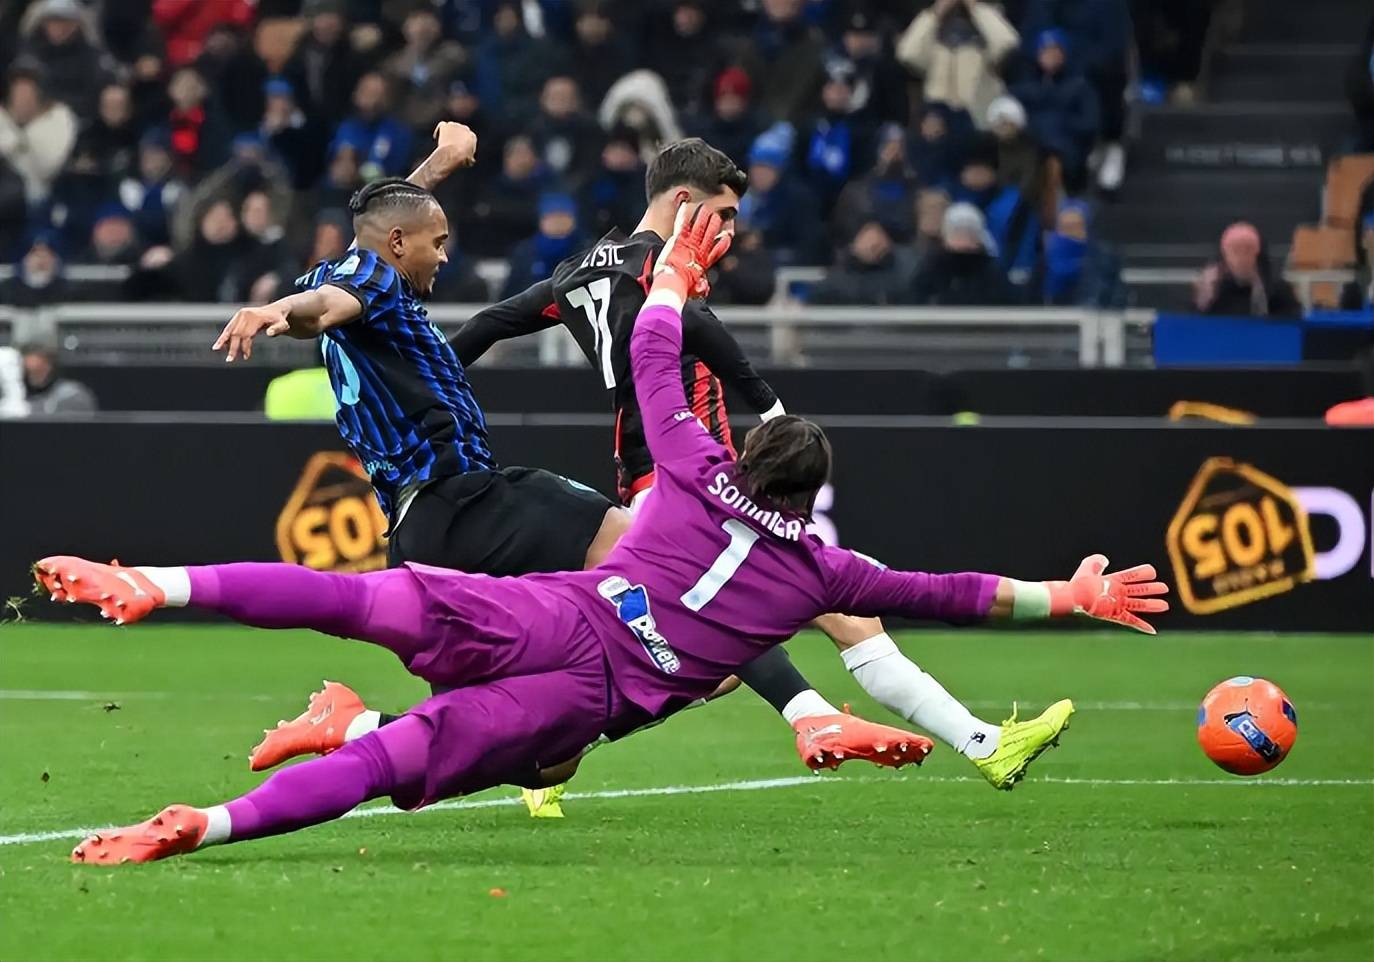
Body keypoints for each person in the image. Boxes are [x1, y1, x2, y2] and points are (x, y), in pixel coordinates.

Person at [41, 207, 1167, 865]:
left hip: (550, 613)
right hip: (589, 694)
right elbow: (960, 591)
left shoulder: (688, 472)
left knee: (350, 597)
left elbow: (653, 361)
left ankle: (155, 584)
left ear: (744, 457)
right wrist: (1073, 597)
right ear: (813, 496)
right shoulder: (822, 573)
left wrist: (670, 276)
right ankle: (206, 825)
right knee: (401, 763)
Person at [254, 137, 933, 815]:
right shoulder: (368, 285)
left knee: (533, 747)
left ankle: (354, 726)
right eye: (438, 242)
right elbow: (337, 297)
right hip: (470, 499)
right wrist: (280, 312)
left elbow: (393, 240)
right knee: (688, 584)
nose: (446, 255)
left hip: (418, 529)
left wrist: (435, 172)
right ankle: (813, 714)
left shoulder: (378, 267)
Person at [895, 0, 1020, 130]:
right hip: (940, 127)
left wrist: (975, 8)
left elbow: (1006, 43)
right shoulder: (935, 41)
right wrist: (936, 12)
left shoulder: (987, 34)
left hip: (980, 125)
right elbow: (907, 53)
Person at [1010, 30, 1099, 195]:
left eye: (1055, 51)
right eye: (1045, 50)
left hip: (1066, 149)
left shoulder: (1080, 86)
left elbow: (1090, 123)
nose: (1050, 56)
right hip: (1028, 148)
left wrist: (1059, 124)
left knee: (1054, 161)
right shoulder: (1022, 88)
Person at [911, 202, 1019, 306]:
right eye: (956, 232)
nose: (963, 239)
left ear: (979, 237)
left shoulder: (992, 272)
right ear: (945, 236)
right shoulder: (931, 269)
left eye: (969, 232)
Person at [0, 61, 77, 205]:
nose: (22, 95)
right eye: (17, 89)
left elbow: (48, 166)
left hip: (42, 200)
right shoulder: (2, 116)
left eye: (28, 89)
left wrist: (19, 136)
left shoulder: (59, 117)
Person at [1193, 222, 1301, 319]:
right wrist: (1204, 299)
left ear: (1257, 253)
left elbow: (1293, 322)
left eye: (1248, 249)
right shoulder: (1214, 290)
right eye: (1235, 250)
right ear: (1225, 255)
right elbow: (1195, 326)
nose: (1242, 257)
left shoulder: (1277, 289)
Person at [1034, 200, 1126, 308]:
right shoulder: (1046, 260)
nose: (1070, 234)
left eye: (1075, 226)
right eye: (1066, 228)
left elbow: (1114, 293)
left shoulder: (1102, 258)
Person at [810, 220, 918, 305]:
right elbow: (816, 296)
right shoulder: (839, 278)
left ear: (887, 243)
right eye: (868, 243)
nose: (872, 248)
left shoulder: (904, 273)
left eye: (877, 245)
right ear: (854, 246)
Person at [334, 72, 414, 180]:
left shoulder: (399, 132)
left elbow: (400, 169)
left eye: (375, 94)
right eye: (365, 91)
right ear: (355, 94)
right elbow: (337, 167)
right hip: (343, 188)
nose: (370, 100)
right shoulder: (346, 128)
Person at [19, 341, 96, 414]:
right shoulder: (19, 394)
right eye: (29, 372)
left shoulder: (73, 395)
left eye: (38, 370)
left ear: (49, 365)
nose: (34, 377)